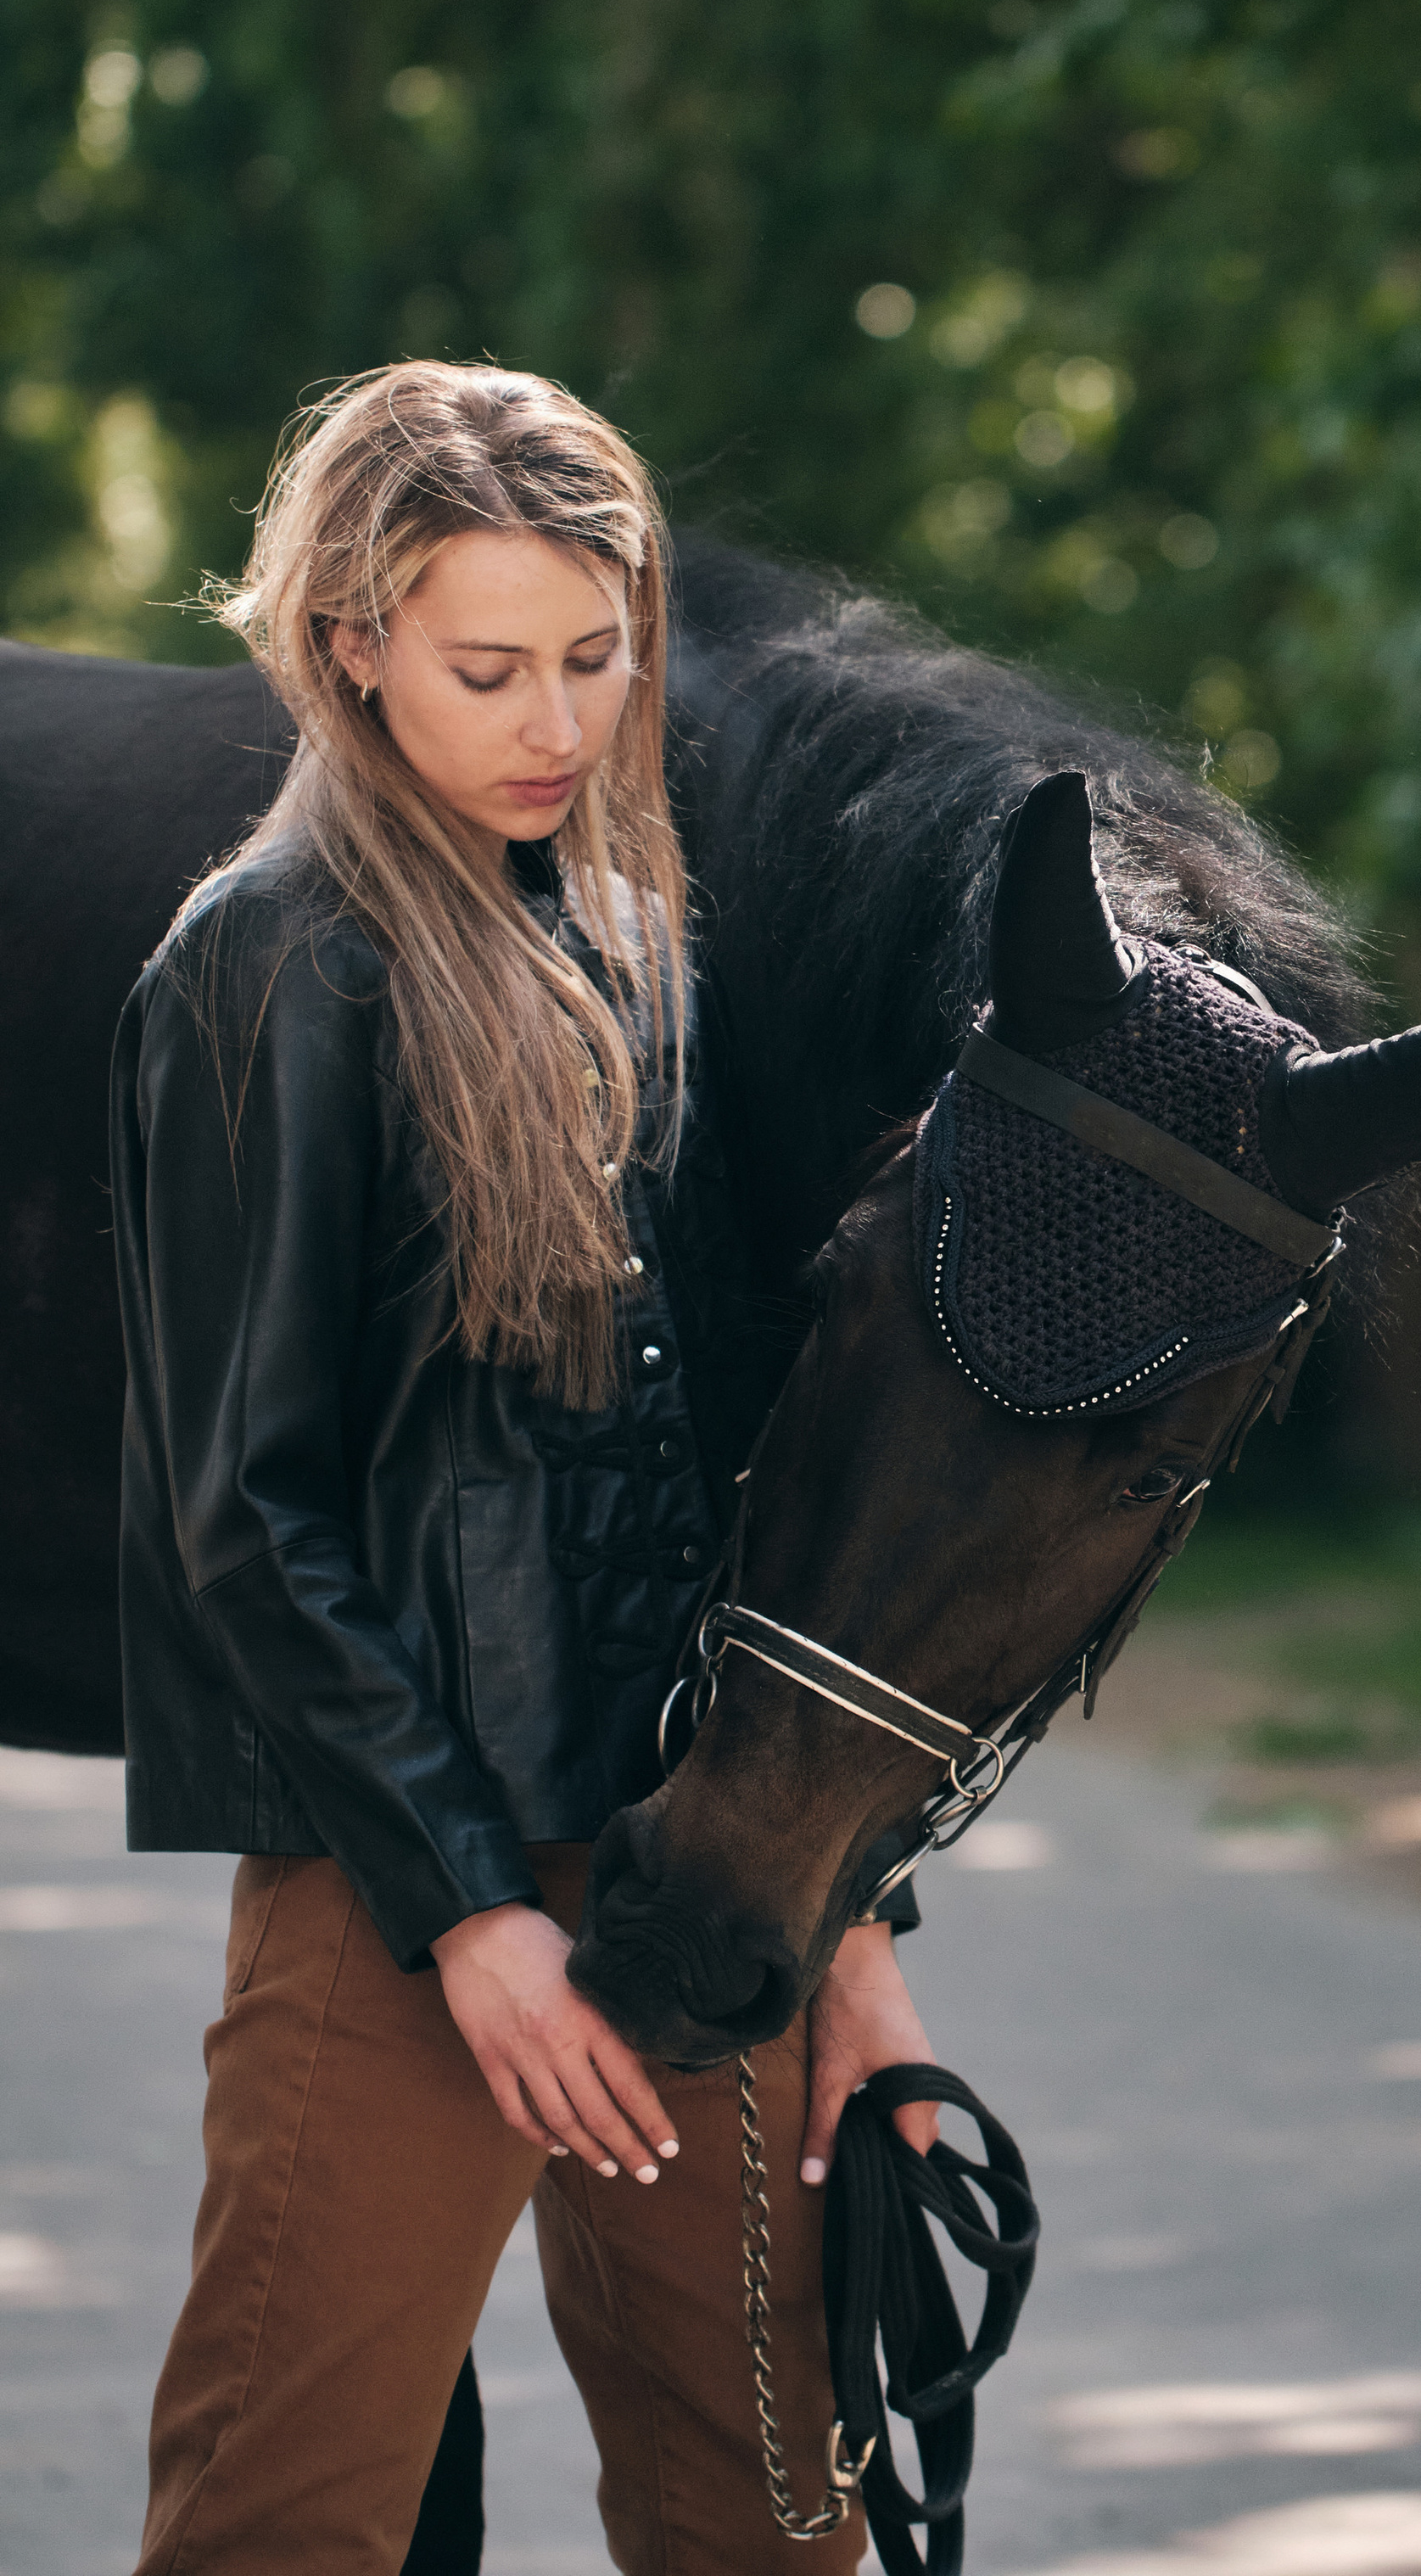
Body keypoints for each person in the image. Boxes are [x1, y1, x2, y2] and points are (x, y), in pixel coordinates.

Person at [111, 362, 932, 2574]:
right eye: (490, 666)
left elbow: (729, 1469)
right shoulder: (263, 970)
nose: (556, 718)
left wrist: (848, 1923)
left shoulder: (636, 941)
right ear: (350, 638)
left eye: (598, 655)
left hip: (689, 1876)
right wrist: (469, 1911)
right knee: (284, 2526)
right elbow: (242, 1517)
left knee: (773, 2525)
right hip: (400, 1901)